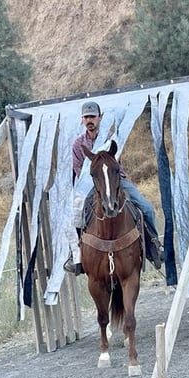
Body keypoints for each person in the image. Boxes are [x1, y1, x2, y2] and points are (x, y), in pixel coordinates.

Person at [64, 101, 163, 274]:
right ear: (82, 120)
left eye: (93, 117)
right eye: (86, 117)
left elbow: (116, 164)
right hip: (91, 184)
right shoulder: (78, 145)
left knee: (146, 207)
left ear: (100, 118)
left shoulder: (111, 139)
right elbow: (78, 169)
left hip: (115, 180)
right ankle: (76, 256)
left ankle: (153, 244)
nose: (90, 120)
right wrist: (90, 184)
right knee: (74, 216)